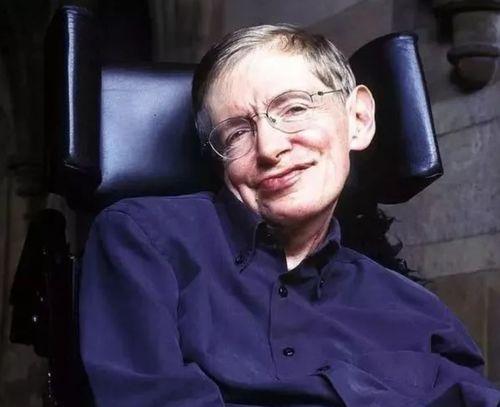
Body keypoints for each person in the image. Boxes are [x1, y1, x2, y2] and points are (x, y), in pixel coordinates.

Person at [79, 25, 500, 406]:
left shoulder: (420, 315)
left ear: (358, 119)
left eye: (295, 108)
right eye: (237, 133)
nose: (269, 147)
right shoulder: (142, 240)